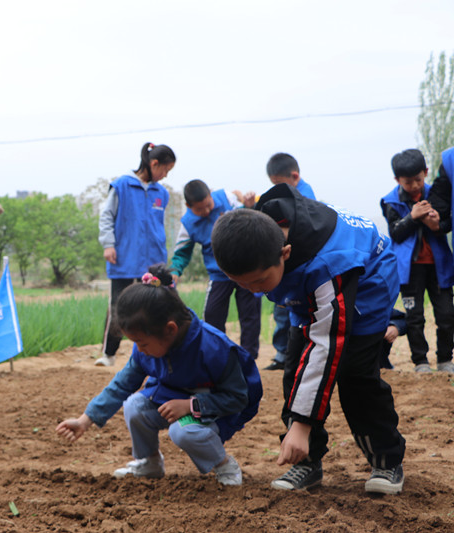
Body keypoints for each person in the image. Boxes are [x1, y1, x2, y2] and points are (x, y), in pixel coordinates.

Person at [210, 184, 406, 495]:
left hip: (365, 284)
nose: (253, 291)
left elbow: (328, 343)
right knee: (295, 370)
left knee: (356, 377)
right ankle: (307, 462)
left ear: (284, 253)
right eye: (240, 283)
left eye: (259, 281)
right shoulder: (255, 237)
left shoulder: (327, 263)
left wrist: (301, 424)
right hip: (306, 289)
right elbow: (311, 352)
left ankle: (386, 459)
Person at [56, 264, 262, 485]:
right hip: (171, 398)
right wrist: (84, 420)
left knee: (182, 431)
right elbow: (122, 385)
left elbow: (238, 398)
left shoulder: (213, 349)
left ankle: (224, 464)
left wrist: (191, 406)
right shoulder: (148, 348)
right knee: (135, 405)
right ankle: (150, 462)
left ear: (170, 330)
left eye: (142, 343)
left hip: (214, 409)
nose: (139, 349)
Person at [96, 143, 175, 367]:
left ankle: (152, 351)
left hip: (153, 261)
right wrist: (109, 244)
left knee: (156, 305)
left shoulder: (162, 193)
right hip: (124, 257)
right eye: (164, 170)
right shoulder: (122, 185)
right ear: (153, 164)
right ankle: (109, 354)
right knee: (118, 307)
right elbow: (106, 216)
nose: (165, 176)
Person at [380, 148, 454, 374]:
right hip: (409, 270)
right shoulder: (391, 201)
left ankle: (445, 360)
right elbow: (396, 233)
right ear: (397, 180)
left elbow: (448, 224)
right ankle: (420, 361)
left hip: (439, 266)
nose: (414, 186)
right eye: (407, 182)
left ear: (426, 172)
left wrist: (436, 224)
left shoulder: (438, 193)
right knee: (415, 317)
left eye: (418, 180)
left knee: (446, 314)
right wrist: (412, 217)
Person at [170, 179, 261, 360]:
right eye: (199, 209)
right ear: (189, 206)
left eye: (208, 205)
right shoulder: (188, 224)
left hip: (246, 270)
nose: (206, 211)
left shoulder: (227, 198)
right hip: (219, 274)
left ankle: (249, 357)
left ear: (211, 195)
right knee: (212, 315)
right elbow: (182, 252)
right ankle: (218, 356)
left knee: (249, 316)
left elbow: (250, 220)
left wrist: (251, 206)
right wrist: (175, 271)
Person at [263, 153, 316, 371]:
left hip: (299, 264)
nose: (277, 189)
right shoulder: (283, 197)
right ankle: (281, 354)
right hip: (284, 265)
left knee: (300, 311)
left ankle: (299, 353)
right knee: (281, 310)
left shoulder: (304, 197)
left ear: (294, 176)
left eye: (279, 184)